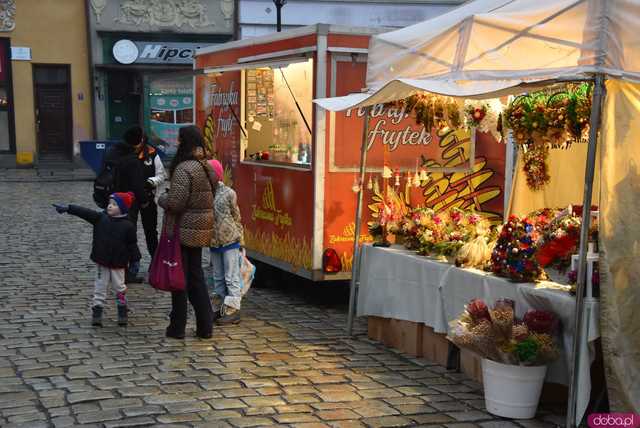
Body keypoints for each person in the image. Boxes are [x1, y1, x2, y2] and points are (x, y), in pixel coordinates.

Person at [158, 126, 217, 339]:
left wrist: (162, 198)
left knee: (179, 278)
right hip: (201, 229)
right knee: (196, 278)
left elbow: (175, 203)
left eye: (179, 140)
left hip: (183, 230)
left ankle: (177, 327)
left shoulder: (185, 169)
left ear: (186, 143)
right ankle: (205, 326)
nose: (176, 143)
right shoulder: (207, 166)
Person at [52, 192, 140, 327]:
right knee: (99, 287)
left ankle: (122, 311)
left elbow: (132, 244)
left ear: (122, 208)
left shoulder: (128, 226)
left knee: (119, 287)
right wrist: (69, 208)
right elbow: (85, 212)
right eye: (110, 203)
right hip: (102, 260)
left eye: (114, 205)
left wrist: (135, 260)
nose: (110, 206)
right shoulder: (100, 218)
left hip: (118, 263)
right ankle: (97, 312)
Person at [103, 127, 149, 282]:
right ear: (137, 142)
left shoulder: (111, 152)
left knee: (113, 234)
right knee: (127, 236)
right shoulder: (132, 159)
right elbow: (137, 186)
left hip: (110, 199)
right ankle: (127, 272)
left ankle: (112, 268)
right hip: (126, 203)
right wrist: (144, 201)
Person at [207, 159, 244, 325]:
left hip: (230, 240)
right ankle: (220, 307)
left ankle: (233, 309)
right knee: (218, 277)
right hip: (213, 241)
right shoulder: (205, 193)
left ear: (218, 174)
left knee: (231, 276)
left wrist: (241, 239)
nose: (207, 175)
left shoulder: (229, 193)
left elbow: (236, 216)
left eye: (210, 172)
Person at [133, 129, 166, 259]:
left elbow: (162, 175)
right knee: (130, 230)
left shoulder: (152, 154)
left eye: (141, 139)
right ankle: (132, 260)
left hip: (148, 197)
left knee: (150, 230)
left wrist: (152, 181)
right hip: (131, 198)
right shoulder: (127, 154)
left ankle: (155, 259)